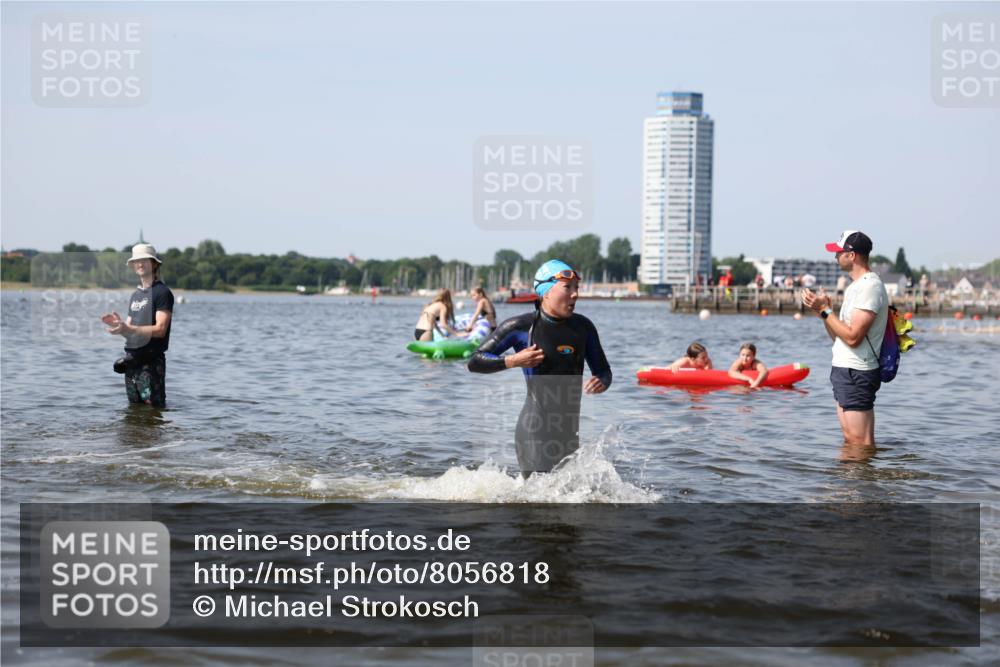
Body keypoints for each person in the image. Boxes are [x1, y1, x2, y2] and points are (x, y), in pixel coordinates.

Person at [468, 260, 611, 477]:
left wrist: (601, 381)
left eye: (576, 288)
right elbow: (475, 361)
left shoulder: (583, 328)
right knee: (536, 502)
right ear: (545, 292)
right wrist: (513, 360)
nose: (575, 295)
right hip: (534, 430)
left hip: (568, 432)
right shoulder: (521, 327)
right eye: (567, 287)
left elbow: (603, 371)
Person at [802, 230, 889, 448]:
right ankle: (852, 482)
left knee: (860, 442)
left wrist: (825, 310)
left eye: (839, 252)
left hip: (857, 371)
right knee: (852, 440)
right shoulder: (855, 287)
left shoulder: (870, 286)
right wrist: (823, 312)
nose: (835, 256)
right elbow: (839, 338)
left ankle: (860, 482)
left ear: (852, 255)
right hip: (846, 370)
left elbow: (853, 338)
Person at [101, 243, 175, 408]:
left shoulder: (162, 293)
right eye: (137, 261)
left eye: (144, 260)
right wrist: (120, 327)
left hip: (151, 363)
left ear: (154, 264)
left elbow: (160, 330)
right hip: (131, 363)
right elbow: (130, 331)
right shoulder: (135, 295)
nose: (140, 264)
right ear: (133, 265)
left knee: (152, 411)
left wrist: (129, 328)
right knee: (134, 412)